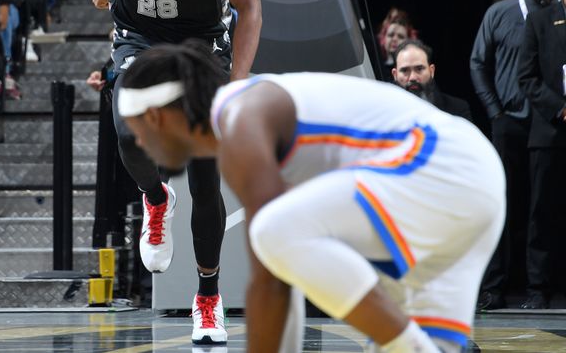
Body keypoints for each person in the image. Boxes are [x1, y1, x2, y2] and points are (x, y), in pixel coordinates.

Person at [118, 41, 505, 353]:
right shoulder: (242, 119)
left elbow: (271, 276)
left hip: (443, 167)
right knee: (405, 343)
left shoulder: (238, 119)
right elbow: (281, 282)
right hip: (472, 184)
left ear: (156, 118)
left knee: (272, 230)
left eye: (136, 131)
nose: (137, 142)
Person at [86, 0, 262, 345]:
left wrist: (236, 84)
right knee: (127, 134)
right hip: (139, 39)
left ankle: (208, 298)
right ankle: (155, 198)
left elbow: (249, 9)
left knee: (205, 177)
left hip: (201, 44)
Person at [470, 0, 559, 310]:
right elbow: (478, 63)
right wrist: (495, 112)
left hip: (550, 126)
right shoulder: (500, 13)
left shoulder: (561, 17)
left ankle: (541, 288)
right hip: (508, 122)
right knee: (500, 206)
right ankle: (494, 287)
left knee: (544, 208)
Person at [515, 0, 566, 311]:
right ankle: (537, 287)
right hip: (550, 129)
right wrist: (560, 107)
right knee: (542, 212)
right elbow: (527, 77)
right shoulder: (541, 18)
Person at [392, 39, 472, 120]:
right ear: (395, 75)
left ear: (431, 71)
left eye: (419, 69)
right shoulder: (384, 113)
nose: (412, 77)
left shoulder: (458, 109)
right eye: (405, 70)